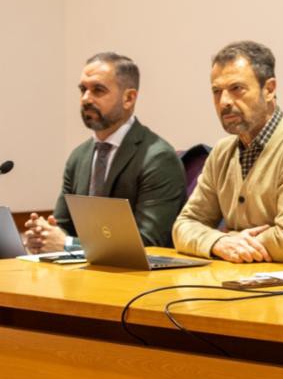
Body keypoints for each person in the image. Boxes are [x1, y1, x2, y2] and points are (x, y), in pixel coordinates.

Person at [172, 41, 283, 263]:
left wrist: (231, 240)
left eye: (237, 89)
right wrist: (218, 242)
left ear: (269, 90)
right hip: (240, 276)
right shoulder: (222, 151)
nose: (224, 102)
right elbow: (183, 226)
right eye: (216, 91)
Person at [23, 53, 186, 253]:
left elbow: (149, 242)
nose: (86, 98)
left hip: (139, 272)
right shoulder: (78, 157)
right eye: (83, 89)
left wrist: (68, 245)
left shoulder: (158, 158)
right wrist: (43, 236)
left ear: (129, 98)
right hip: (81, 270)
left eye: (98, 90)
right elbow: (63, 226)